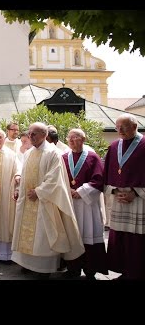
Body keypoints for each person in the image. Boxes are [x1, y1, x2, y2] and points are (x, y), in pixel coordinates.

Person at [11, 122, 84, 278]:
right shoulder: (28, 153)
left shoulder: (53, 153)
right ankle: (28, 264)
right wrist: (18, 190)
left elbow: (55, 179)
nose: (30, 136)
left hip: (44, 201)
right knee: (28, 234)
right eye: (29, 133)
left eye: (34, 134)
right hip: (27, 201)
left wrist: (39, 191)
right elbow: (23, 176)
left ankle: (42, 269)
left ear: (44, 135)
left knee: (43, 235)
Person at [104, 113, 145, 280]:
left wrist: (135, 193)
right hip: (118, 197)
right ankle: (125, 271)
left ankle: (138, 272)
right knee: (120, 237)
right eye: (117, 127)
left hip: (139, 199)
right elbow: (107, 172)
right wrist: (114, 191)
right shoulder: (114, 146)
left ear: (135, 127)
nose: (119, 130)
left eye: (124, 127)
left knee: (136, 238)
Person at [62, 129, 108, 280]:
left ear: (83, 139)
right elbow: (57, 178)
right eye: (70, 138)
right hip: (69, 203)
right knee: (71, 236)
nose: (73, 141)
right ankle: (72, 268)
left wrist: (80, 191)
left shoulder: (92, 157)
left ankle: (90, 270)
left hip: (87, 205)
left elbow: (99, 179)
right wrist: (67, 190)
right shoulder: (62, 157)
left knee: (89, 235)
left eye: (76, 138)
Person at [0, 128, 21, 262]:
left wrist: (18, 175)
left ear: (4, 138)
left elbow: (18, 167)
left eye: (0, 137)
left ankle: (5, 255)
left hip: (6, 194)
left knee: (5, 221)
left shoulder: (11, 154)